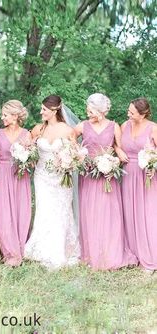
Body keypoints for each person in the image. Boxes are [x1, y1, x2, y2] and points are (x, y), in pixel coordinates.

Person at [75, 93, 137, 270]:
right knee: (89, 213)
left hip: (107, 175)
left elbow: (118, 146)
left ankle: (110, 253)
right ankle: (92, 254)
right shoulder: (83, 125)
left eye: (90, 111)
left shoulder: (114, 126)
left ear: (100, 111)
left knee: (109, 214)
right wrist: (78, 153)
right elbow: (71, 138)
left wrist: (115, 159)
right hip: (88, 175)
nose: (88, 114)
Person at [24, 95, 79, 269]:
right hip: (41, 176)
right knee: (44, 209)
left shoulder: (68, 130)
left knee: (61, 210)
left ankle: (60, 250)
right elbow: (29, 150)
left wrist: (68, 162)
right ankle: (41, 248)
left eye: (44, 110)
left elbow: (76, 154)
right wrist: (26, 156)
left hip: (61, 178)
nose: (41, 112)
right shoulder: (38, 129)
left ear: (55, 110)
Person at [0, 100, 31, 266]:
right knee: (3, 212)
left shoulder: (27, 134)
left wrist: (27, 162)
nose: (2, 117)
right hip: (3, 174)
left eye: (5, 115)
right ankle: (8, 252)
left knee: (21, 211)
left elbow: (32, 156)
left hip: (20, 176)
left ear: (15, 116)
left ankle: (20, 248)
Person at [120, 98, 157, 273]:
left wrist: (153, 165)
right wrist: (119, 151)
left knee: (147, 214)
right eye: (128, 110)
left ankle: (150, 255)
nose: (128, 114)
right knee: (130, 213)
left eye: (132, 112)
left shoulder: (153, 128)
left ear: (142, 115)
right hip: (128, 175)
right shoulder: (124, 125)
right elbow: (116, 145)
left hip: (147, 176)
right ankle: (133, 253)